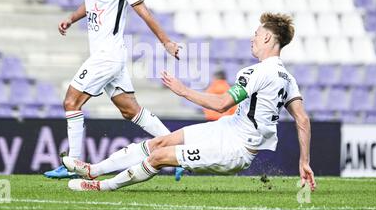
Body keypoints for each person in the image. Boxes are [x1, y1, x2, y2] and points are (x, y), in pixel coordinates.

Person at [61, 13, 317, 193]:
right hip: (227, 129)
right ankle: (94, 170)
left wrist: (183, 91)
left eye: (256, 34)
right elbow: (302, 119)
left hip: (234, 147)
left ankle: (101, 186)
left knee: (159, 156)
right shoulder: (287, 77)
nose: (252, 38)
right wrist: (304, 161)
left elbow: (220, 103)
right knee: (160, 142)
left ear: (268, 40)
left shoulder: (257, 72)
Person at [43, 0, 181, 179]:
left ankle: (72, 163)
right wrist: (71, 19)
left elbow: (144, 13)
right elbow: (90, 3)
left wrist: (167, 42)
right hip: (105, 56)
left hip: (108, 55)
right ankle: (175, 149)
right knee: (131, 111)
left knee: (71, 101)